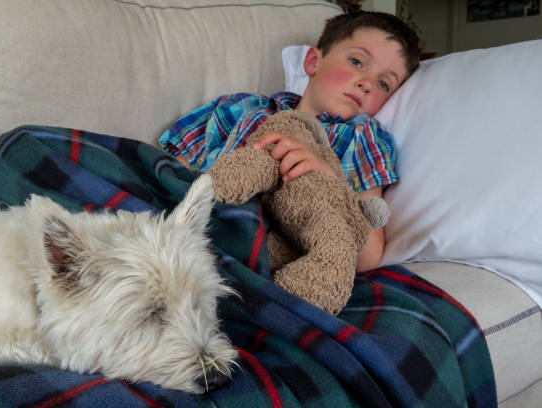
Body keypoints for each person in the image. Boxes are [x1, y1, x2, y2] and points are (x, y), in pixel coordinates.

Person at [159, 11, 421, 272]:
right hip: (190, 220)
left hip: (261, 255)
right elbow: (166, 172)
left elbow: (369, 257)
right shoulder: (241, 107)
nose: (367, 84)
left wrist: (329, 180)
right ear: (313, 62)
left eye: (384, 84)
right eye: (356, 61)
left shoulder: (361, 139)